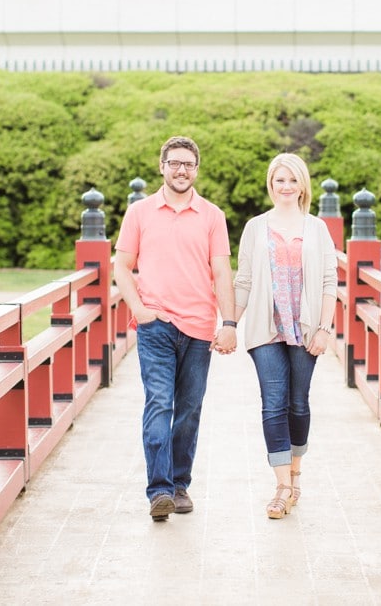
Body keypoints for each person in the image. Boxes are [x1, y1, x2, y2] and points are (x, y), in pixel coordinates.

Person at [113, 135, 237, 522]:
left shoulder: (212, 215)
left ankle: (180, 484)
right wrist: (139, 309)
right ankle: (159, 491)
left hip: (199, 327)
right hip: (157, 326)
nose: (181, 170)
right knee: (160, 403)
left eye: (188, 164)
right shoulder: (140, 212)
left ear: (196, 169)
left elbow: (221, 271)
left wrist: (229, 323)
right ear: (161, 166)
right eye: (174, 163)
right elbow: (121, 265)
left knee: (188, 410)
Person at [233, 153, 338, 520]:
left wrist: (324, 329)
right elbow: (243, 281)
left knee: (298, 403)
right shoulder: (255, 227)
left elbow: (329, 282)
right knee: (272, 402)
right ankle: (281, 486)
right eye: (280, 180)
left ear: (303, 185)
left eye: (293, 180)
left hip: (306, 330)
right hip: (266, 329)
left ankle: (295, 473)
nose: (286, 187)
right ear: (270, 184)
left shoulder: (317, 228)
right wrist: (229, 323)